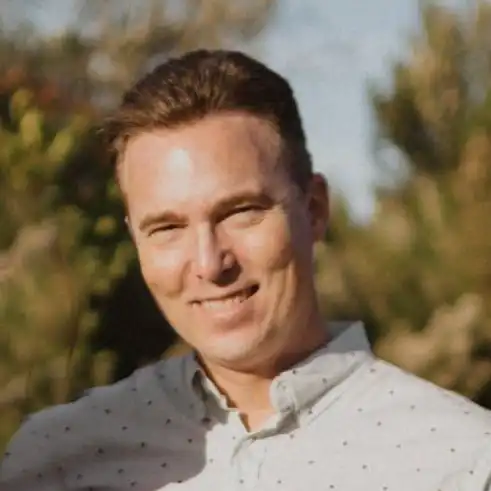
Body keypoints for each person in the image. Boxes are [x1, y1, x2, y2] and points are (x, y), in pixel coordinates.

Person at [1, 49, 490, 491]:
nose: (210, 263)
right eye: (167, 227)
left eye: (240, 212)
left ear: (315, 209)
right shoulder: (57, 460)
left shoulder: (463, 462)